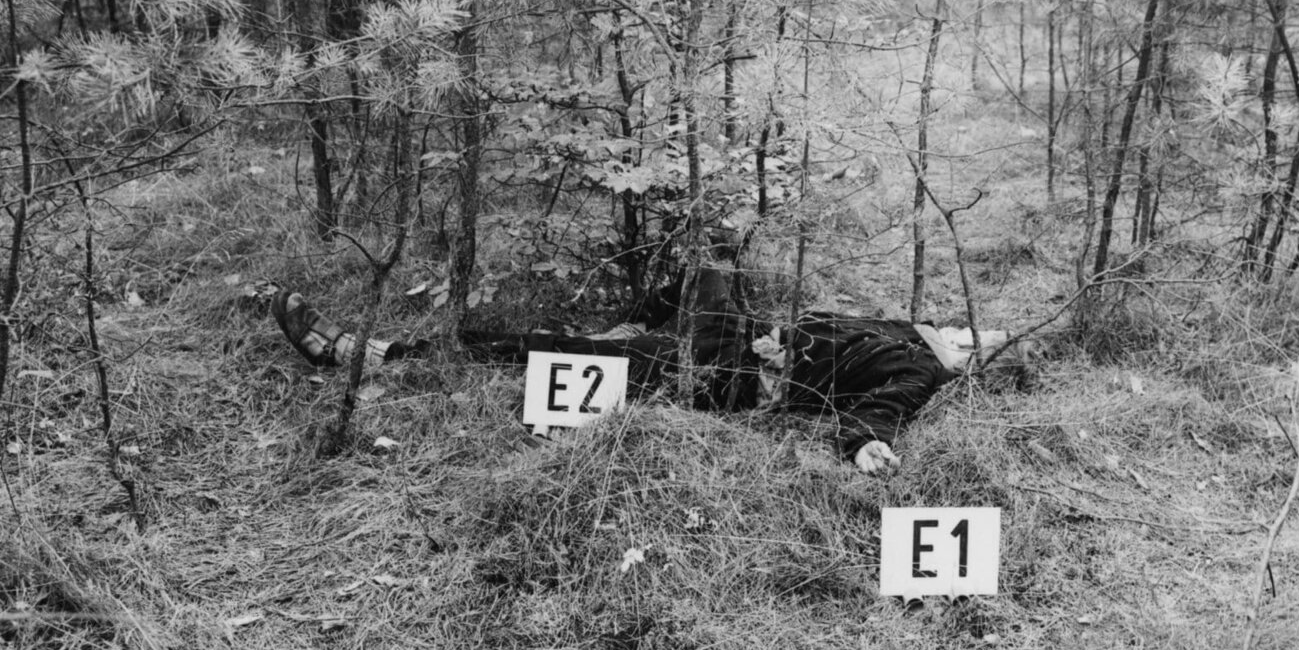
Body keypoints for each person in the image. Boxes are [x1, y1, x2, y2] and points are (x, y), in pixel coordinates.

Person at [272, 267, 1030, 473]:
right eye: (979, 326)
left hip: (727, 376)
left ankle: (369, 355)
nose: (969, 330)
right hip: (741, 340)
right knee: (708, 270)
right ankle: (630, 329)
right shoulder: (912, 329)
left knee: (550, 351)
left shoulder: (922, 370)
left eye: (982, 341)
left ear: (975, 365)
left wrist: (865, 443)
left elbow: (879, 411)